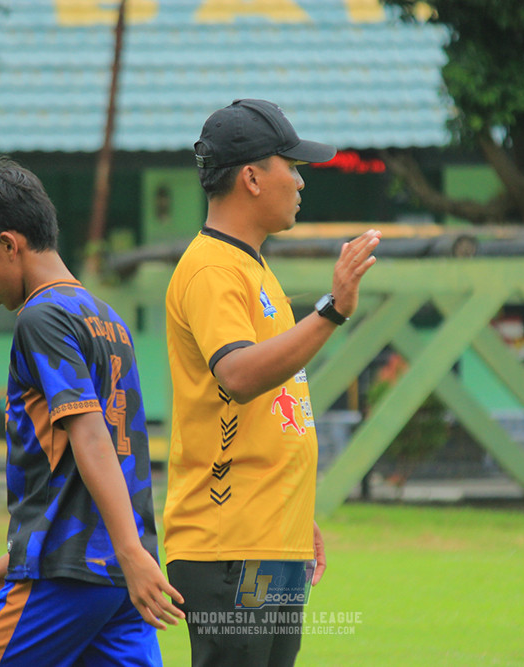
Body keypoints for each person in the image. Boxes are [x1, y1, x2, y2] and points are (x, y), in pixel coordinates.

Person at [0, 154, 183, 666]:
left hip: (74, 571)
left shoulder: (40, 317)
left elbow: (90, 437)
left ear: (8, 244)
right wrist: (124, 552)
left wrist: (63, 554)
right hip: (116, 575)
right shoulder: (104, 316)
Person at [163, 99, 381, 666]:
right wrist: (331, 310)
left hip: (267, 535)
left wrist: (293, 509)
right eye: (292, 164)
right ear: (252, 178)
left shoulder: (252, 267)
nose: (301, 180)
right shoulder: (212, 269)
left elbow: (272, 408)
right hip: (228, 542)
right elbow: (236, 375)